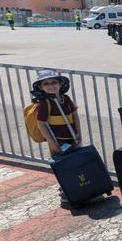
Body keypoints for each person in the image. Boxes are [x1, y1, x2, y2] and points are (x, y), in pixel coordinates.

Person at [30, 69, 82, 205]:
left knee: (76, 163)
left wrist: (79, 133)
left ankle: (79, 186)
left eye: (53, 82)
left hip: (72, 138)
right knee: (63, 166)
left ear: (60, 84)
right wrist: (52, 142)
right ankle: (66, 190)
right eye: (46, 84)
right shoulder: (45, 104)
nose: (50, 86)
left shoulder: (67, 99)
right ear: (41, 87)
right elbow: (41, 124)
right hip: (57, 141)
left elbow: (75, 115)